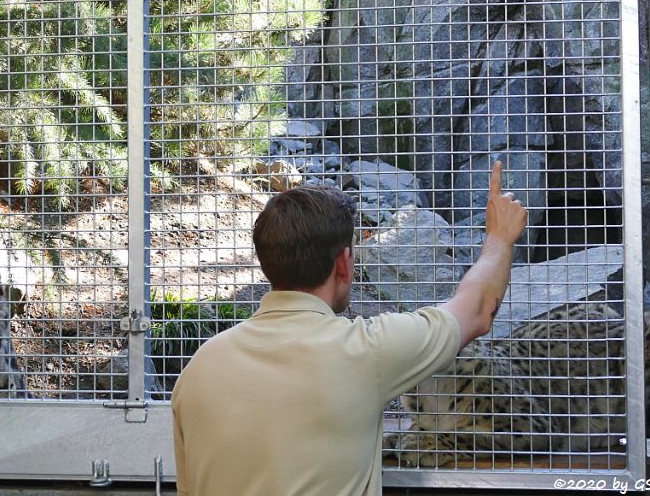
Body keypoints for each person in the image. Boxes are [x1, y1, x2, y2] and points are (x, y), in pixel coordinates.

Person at [171, 161, 528, 496]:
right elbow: (478, 309)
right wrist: (499, 237)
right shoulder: (366, 351)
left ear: (268, 266)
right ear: (343, 263)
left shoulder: (200, 368)